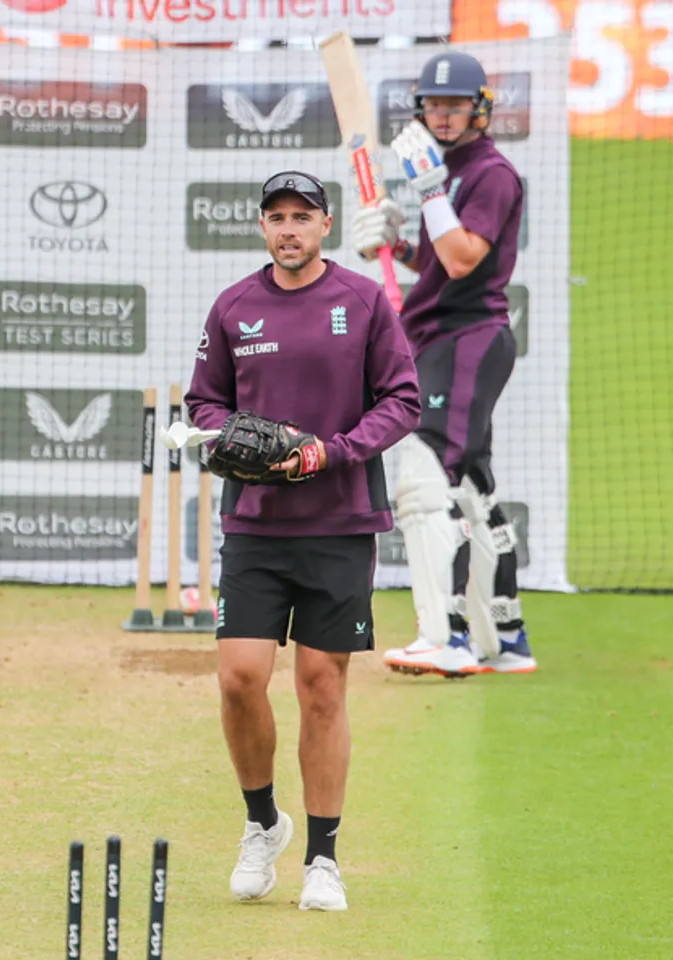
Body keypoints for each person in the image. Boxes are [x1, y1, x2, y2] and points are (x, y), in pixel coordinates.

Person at [184, 170, 421, 911]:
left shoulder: (361, 302)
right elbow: (203, 403)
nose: (288, 229)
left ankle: (324, 858)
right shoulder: (233, 307)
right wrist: (229, 437)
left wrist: (332, 451)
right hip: (254, 525)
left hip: (339, 524)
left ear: (325, 226)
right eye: (276, 217)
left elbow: (403, 400)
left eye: (302, 217)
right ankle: (264, 825)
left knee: (323, 688)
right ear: (262, 227)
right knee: (238, 679)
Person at [351, 50, 538, 678]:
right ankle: (505, 639)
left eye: (456, 104)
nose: (444, 114)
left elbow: (462, 261)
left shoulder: (488, 173)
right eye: (434, 105)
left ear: (480, 108)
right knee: (471, 489)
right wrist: (397, 243)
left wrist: (429, 188)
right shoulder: (452, 170)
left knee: (425, 484)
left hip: (467, 338)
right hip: (444, 337)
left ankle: (447, 637)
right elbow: (438, 264)